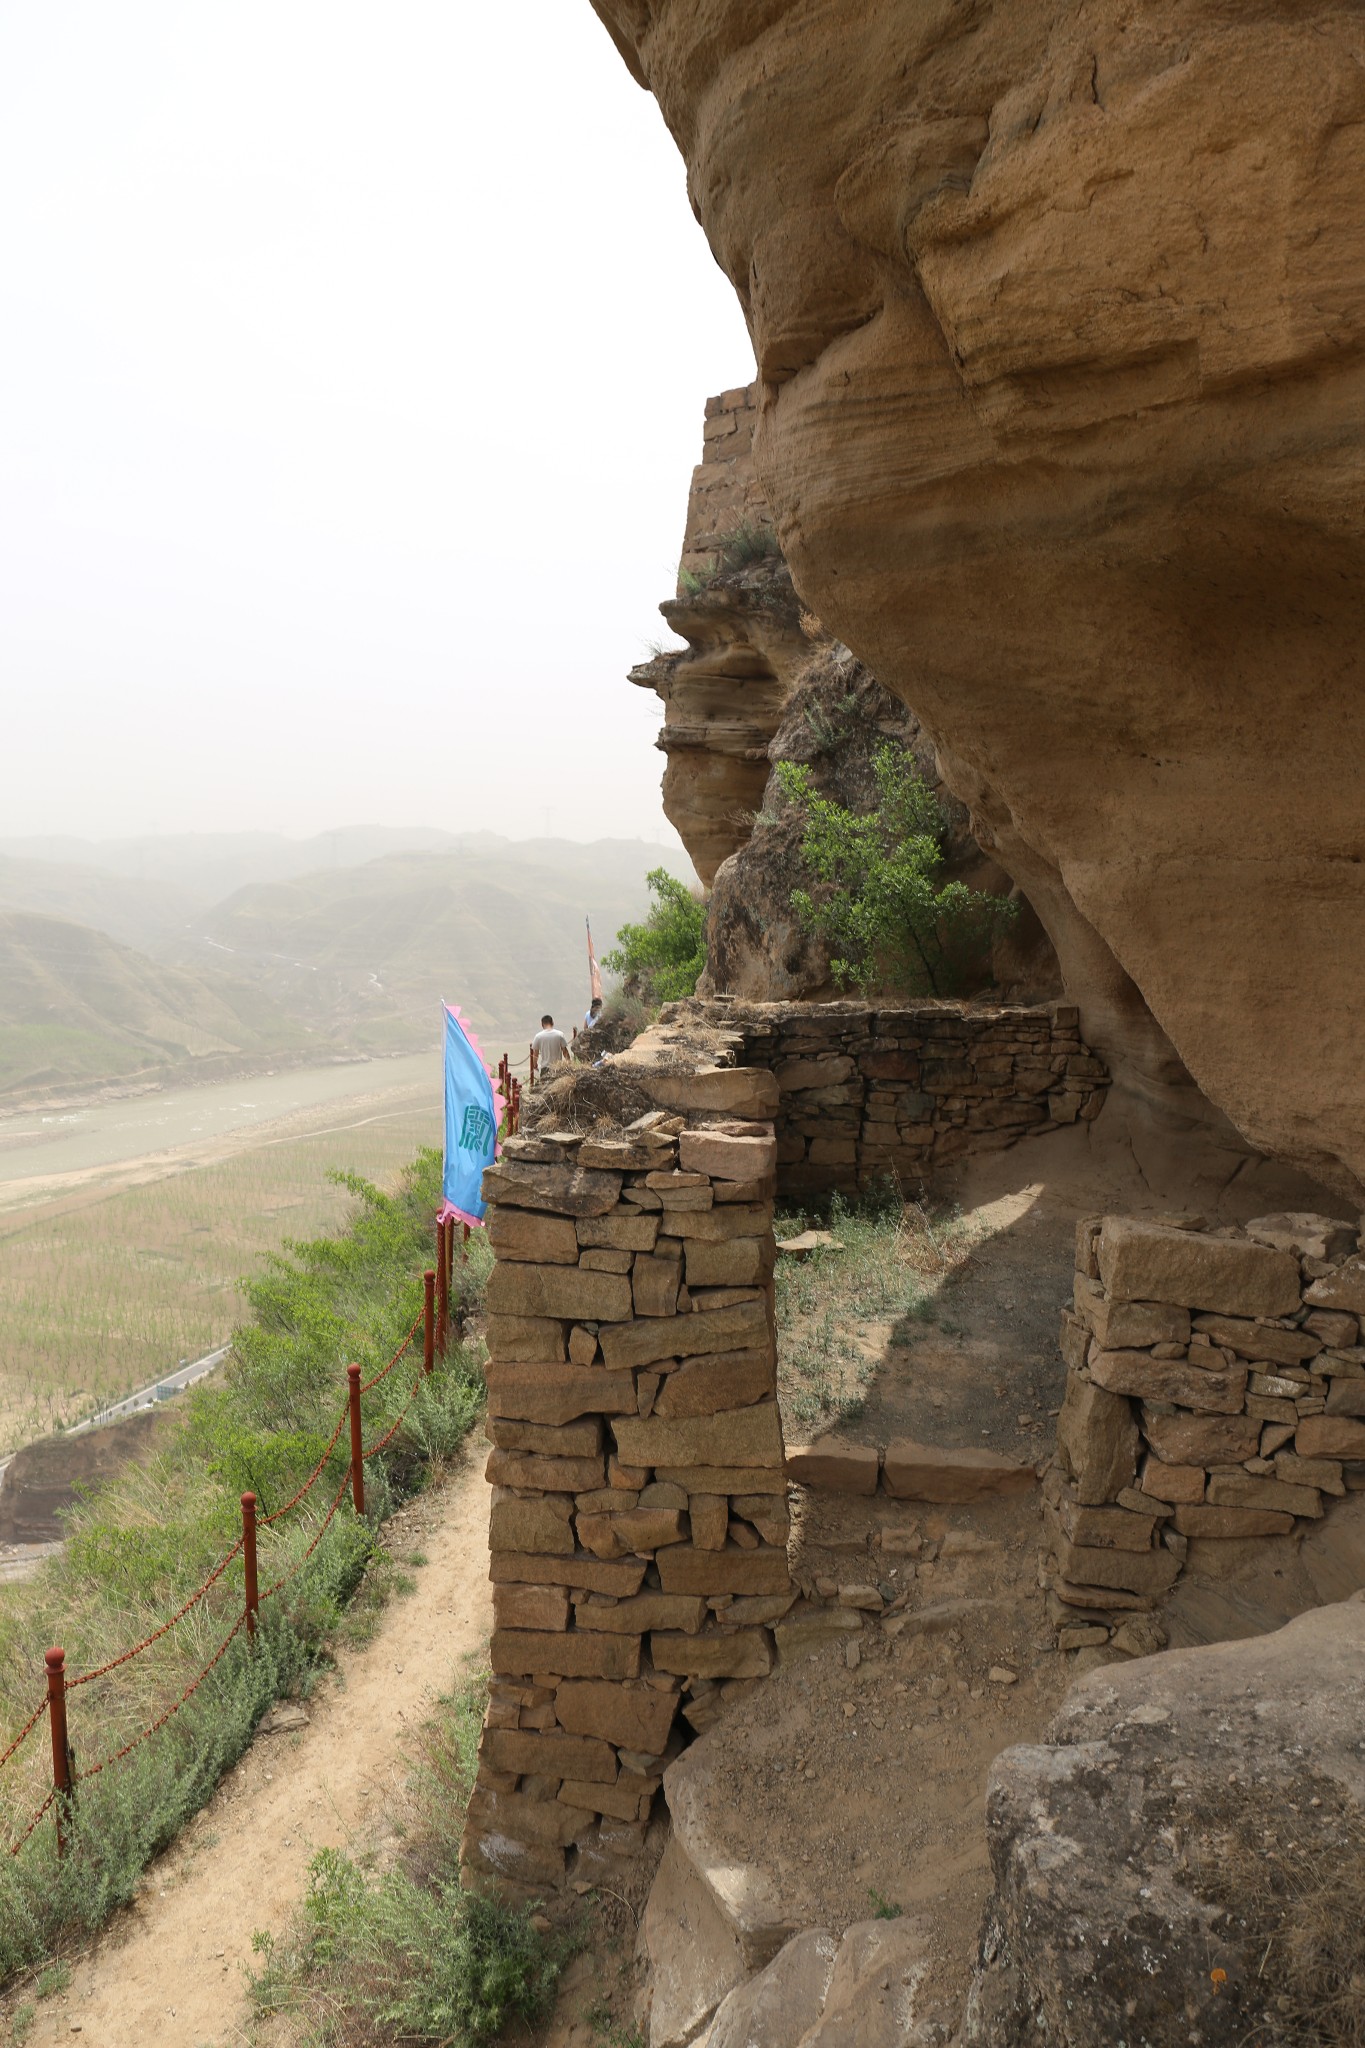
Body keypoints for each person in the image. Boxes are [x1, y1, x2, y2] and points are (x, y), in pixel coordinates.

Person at [531, 1013, 570, 1082]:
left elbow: (535, 1054)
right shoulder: (559, 1034)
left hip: (545, 1068)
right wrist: (568, 1062)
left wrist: (534, 1064)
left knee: (545, 1088)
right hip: (558, 1068)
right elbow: (565, 1051)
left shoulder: (538, 1036)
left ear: (542, 1024)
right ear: (552, 1023)